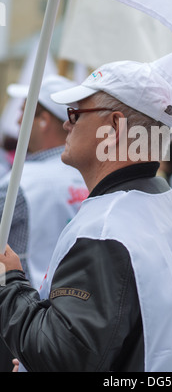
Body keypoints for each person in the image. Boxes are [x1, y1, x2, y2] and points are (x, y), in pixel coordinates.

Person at [0, 60, 172, 372]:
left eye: (75, 113)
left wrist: (10, 282)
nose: (66, 124)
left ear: (114, 127)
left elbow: (64, 358)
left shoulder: (106, 229)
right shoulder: (167, 206)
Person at [0, 75, 88, 372]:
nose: (17, 117)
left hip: (19, 319)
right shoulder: (90, 177)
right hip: (70, 323)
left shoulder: (18, 185)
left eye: (24, 109)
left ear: (44, 120)